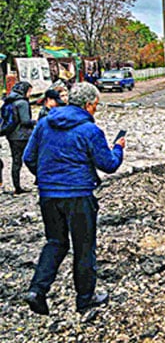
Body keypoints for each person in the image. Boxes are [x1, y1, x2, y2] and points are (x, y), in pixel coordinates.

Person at [22, 82, 125, 315]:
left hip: (48, 195)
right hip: (78, 195)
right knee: (84, 247)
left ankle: (37, 290)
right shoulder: (90, 130)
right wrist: (118, 148)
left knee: (55, 242)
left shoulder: (45, 123)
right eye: (96, 105)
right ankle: (85, 300)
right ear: (88, 105)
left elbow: (29, 157)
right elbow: (108, 164)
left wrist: (47, 178)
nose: (96, 110)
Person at [4, 81, 36, 194]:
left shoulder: (10, 100)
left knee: (15, 161)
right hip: (22, 136)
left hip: (11, 135)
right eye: (30, 91)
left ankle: (16, 186)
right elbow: (25, 121)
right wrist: (35, 122)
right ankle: (39, 179)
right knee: (33, 157)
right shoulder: (22, 103)